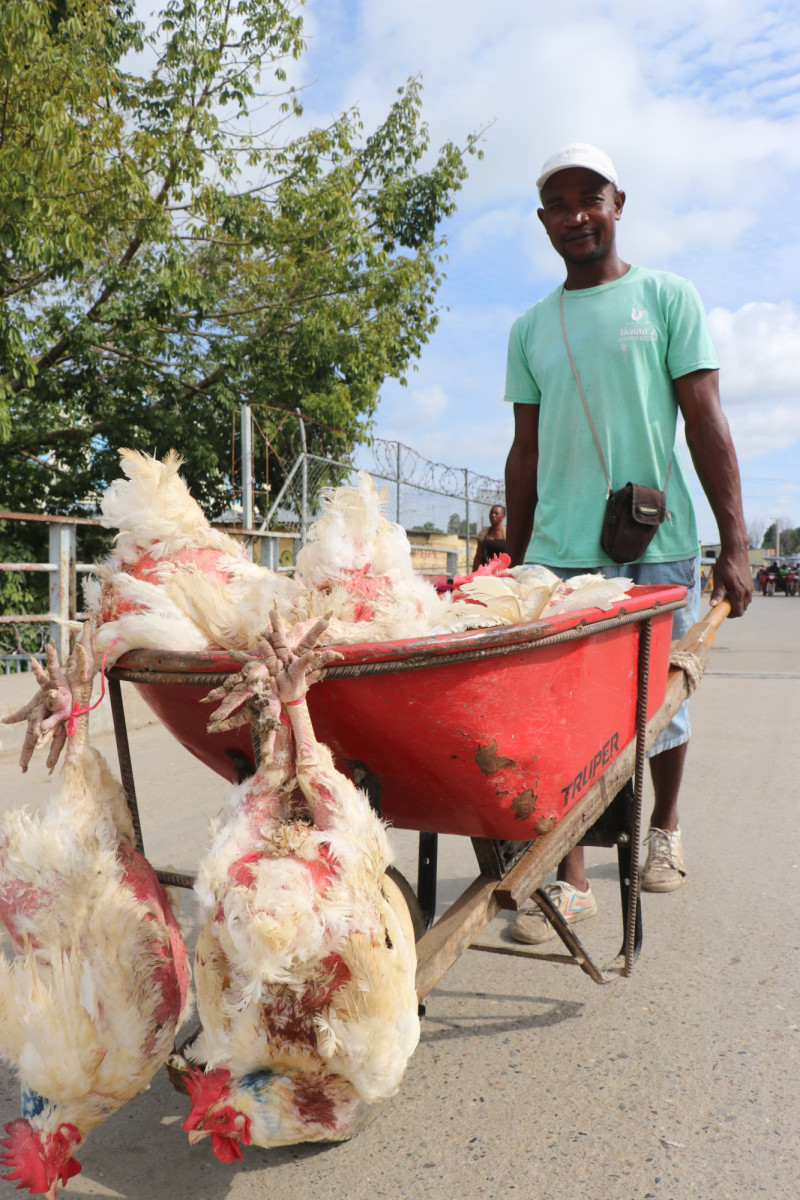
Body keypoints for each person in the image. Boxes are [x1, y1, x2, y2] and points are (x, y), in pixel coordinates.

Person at [503, 143, 752, 945]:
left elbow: (707, 421)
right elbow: (526, 450)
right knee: (561, 720)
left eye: (590, 198)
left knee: (662, 705)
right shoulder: (531, 327)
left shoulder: (668, 297)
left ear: (618, 203)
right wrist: (511, 555)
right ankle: (571, 880)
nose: (576, 215)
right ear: (544, 222)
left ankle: (664, 827)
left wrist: (735, 544)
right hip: (558, 551)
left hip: (658, 539)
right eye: (559, 205)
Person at [472, 503, 507, 570]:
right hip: (486, 572)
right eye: (491, 513)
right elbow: (478, 557)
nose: (493, 515)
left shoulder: (507, 533)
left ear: (503, 516)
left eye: (496, 513)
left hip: (502, 572)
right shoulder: (483, 533)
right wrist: (473, 575)